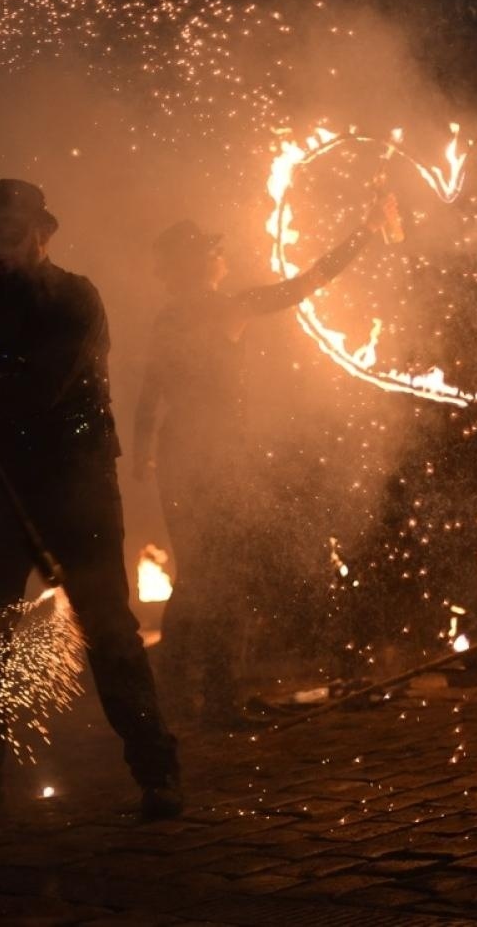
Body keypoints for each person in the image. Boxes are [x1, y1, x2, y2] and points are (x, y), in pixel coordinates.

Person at [0, 178, 182, 820]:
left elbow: (41, 390)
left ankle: (158, 771)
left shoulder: (76, 299)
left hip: (77, 487)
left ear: (42, 235)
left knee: (107, 629)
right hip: (0, 485)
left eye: (10, 234)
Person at [134, 209, 379, 724]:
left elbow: (150, 395)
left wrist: (142, 454)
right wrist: (363, 233)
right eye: (213, 251)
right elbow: (304, 284)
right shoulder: (226, 307)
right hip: (211, 460)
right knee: (211, 575)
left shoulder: (170, 319)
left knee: (205, 573)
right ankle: (194, 697)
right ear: (201, 264)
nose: (222, 257)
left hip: (184, 457)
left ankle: (187, 695)